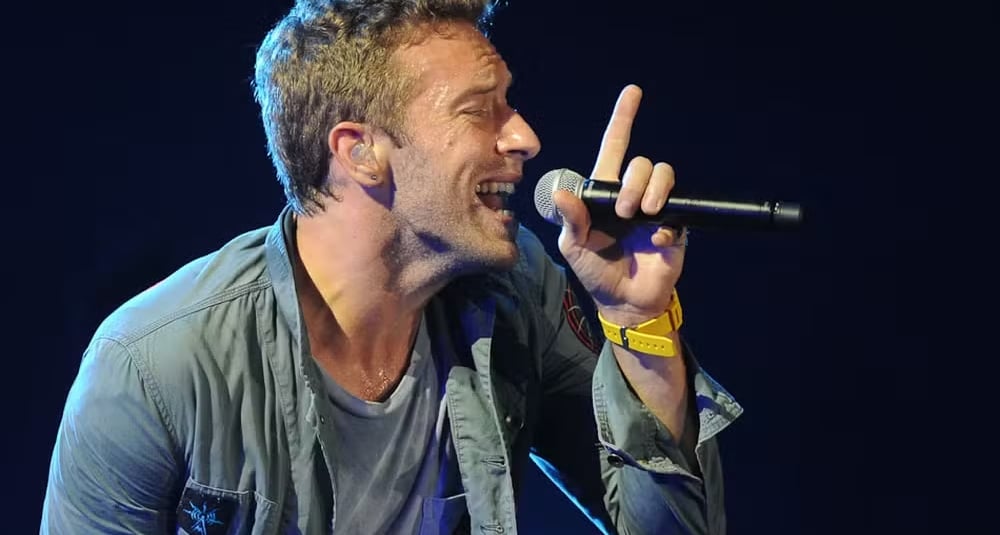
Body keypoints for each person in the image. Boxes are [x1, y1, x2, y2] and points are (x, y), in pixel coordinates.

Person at [41, 1, 743, 533]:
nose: (525, 137)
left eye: (509, 104)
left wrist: (636, 320)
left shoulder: (518, 287)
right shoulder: (153, 364)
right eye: (480, 110)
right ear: (359, 151)